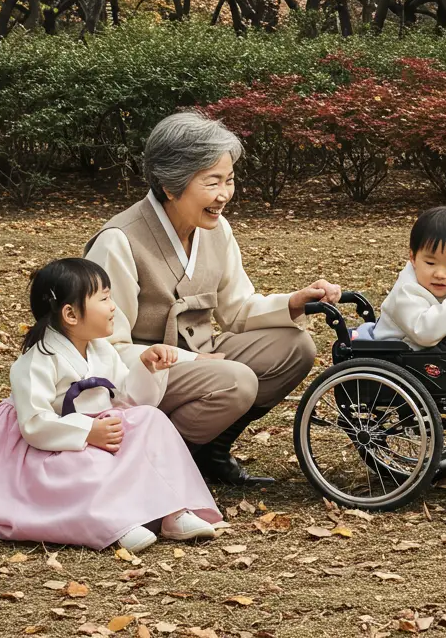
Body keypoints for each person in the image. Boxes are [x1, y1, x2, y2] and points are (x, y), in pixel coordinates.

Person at [84, 112, 341, 487]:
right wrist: (190, 360)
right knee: (237, 381)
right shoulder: (119, 240)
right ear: (170, 185)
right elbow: (103, 348)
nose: (225, 194)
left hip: (203, 358)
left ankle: (210, 452)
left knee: (295, 348)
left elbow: (238, 309)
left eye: (229, 180)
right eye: (212, 182)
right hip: (143, 373)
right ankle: (155, 461)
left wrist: (295, 302)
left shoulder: (216, 229)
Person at [0, 258, 221, 552]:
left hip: (98, 429)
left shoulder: (101, 349)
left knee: (151, 419)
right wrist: (87, 431)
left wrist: (147, 368)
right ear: (70, 314)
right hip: (52, 444)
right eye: (104, 299)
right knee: (90, 462)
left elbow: (123, 399)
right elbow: (34, 423)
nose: (113, 307)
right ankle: (113, 522)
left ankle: (173, 509)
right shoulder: (37, 361)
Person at [369, 206, 446, 347]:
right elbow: (423, 333)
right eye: (430, 263)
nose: (439, 274)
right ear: (413, 258)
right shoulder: (405, 293)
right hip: (392, 355)